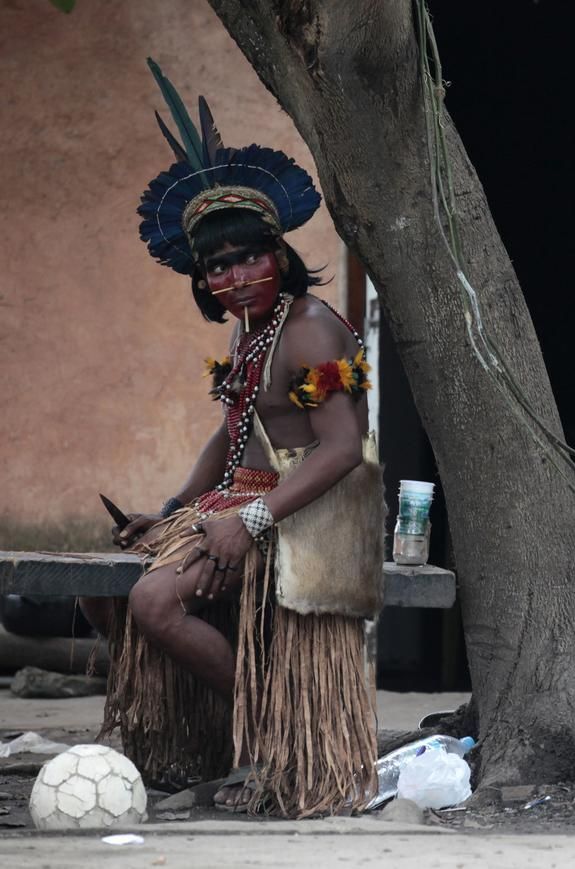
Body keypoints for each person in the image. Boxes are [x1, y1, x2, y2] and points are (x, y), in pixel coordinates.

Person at [78, 62, 385, 817]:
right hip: (230, 505)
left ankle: (279, 737)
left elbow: (343, 449)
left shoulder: (310, 326)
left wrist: (247, 525)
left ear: (278, 255)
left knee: (154, 601)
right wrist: (176, 506)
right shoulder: (254, 330)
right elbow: (233, 428)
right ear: (203, 281)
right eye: (218, 266)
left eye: (249, 256)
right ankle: (207, 743)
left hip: (292, 517)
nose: (236, 275)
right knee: (101, 588)